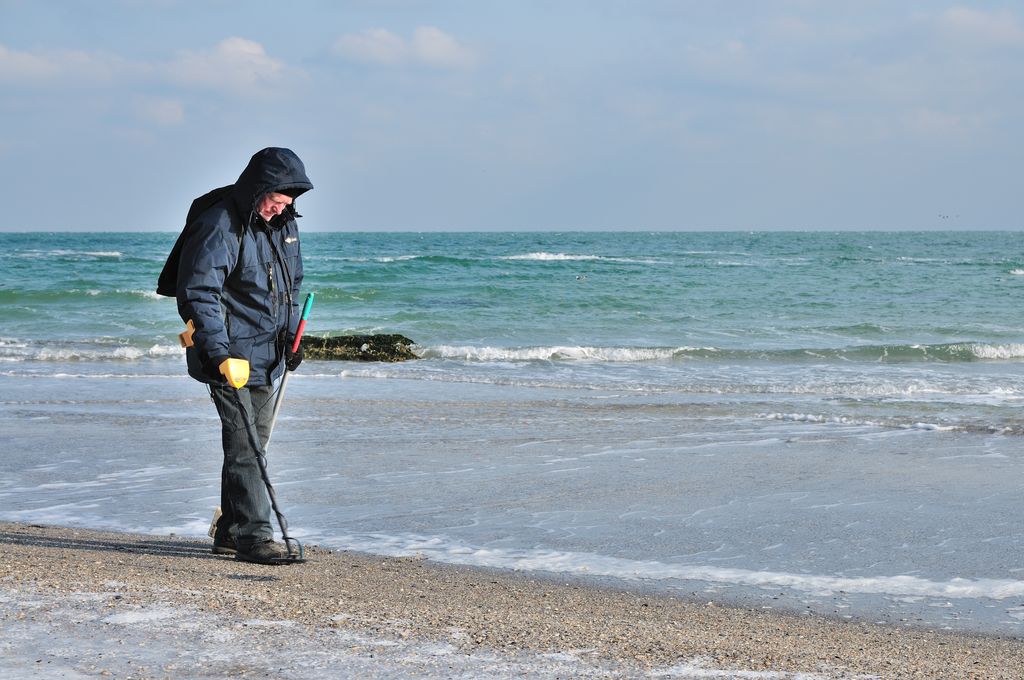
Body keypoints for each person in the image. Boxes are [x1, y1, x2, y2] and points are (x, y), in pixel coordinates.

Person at [174, 147, 313, 564]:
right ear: (259, 188)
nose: (281, 209)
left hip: (265, 355)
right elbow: (199, 292)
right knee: (246, 447)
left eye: (289, 203)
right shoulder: (220, 223)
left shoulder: (282, 225)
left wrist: (291, 338)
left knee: (254, 444)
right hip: (228, 355)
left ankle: (231, 532)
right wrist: (218, 354)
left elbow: (290, 287)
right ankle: (255, 538)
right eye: (277, 200)